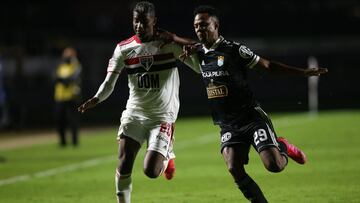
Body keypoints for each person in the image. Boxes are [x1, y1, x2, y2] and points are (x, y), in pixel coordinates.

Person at [180, 5, 328, 202]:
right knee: (233, 167)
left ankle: (282, 145)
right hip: (228, 124)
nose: (199, 29)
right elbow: (174, 40)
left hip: (251, 117)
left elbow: (267, 65)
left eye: (204, 25)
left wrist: (302, 72)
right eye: (196, 26)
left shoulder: (235, 50)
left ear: (216, 25)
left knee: (274, 166)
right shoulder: (198, 53)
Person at [77, 2, 200, 203]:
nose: (139, 26)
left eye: (144, 22)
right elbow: (109, 82)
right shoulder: (124, 49)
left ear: (154, 22)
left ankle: (168, 154)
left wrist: (192, 53)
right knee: (124, 162)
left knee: (151, 171)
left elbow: (199, 69)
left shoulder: (168, 45)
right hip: (134, 114)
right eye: (136, 22)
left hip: (162, 117)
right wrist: (97, 98)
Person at [54, 46, 82, 147]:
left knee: (72, 120)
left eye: (69, 54)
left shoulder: (75, 65)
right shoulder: (61, 66)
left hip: (71, 97)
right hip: (60, 97)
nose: (66, 56)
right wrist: (63, 80)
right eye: (65, 54)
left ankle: (74, 141)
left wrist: (63, 79)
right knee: (60, 120)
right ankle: (62, 141)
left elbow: (71, 78)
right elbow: (56, 78)